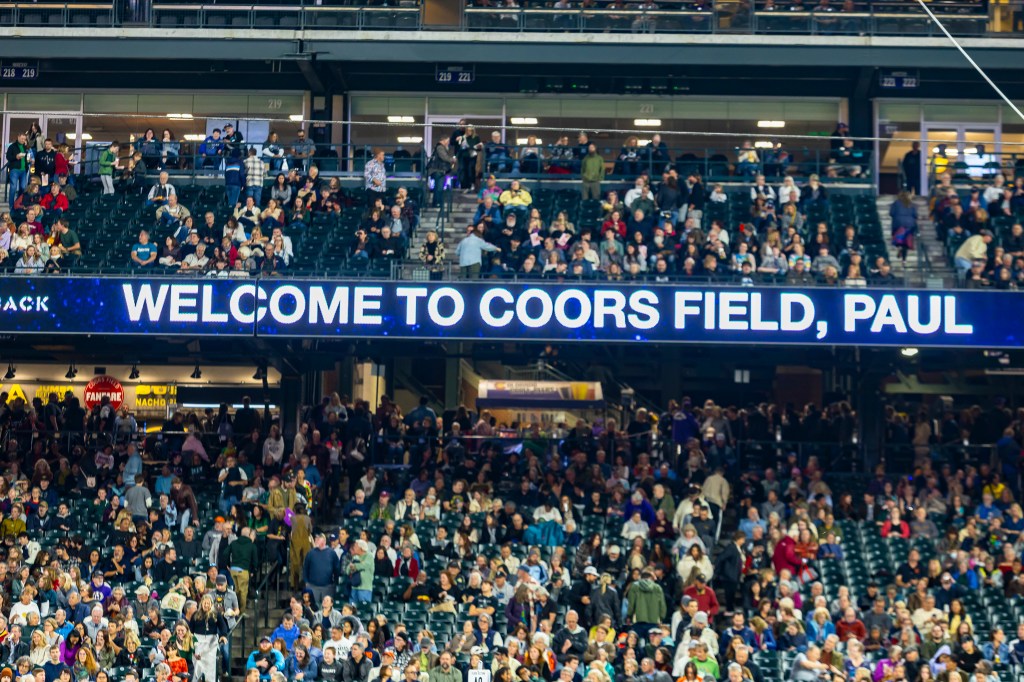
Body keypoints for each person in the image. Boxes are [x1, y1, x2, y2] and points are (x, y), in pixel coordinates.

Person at [6, 132, 30, 204]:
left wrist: (29, 161)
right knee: (13, 187)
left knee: (23, 187)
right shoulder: (12, 146)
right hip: (15, 170)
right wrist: (16, 157)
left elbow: (26, 157)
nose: (23, 140)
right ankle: (11, 205)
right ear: (18, 137)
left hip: (23, 170)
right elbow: (8, 157)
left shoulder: (25, 147)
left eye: (24, 139)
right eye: (22, 139)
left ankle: (18, 202)